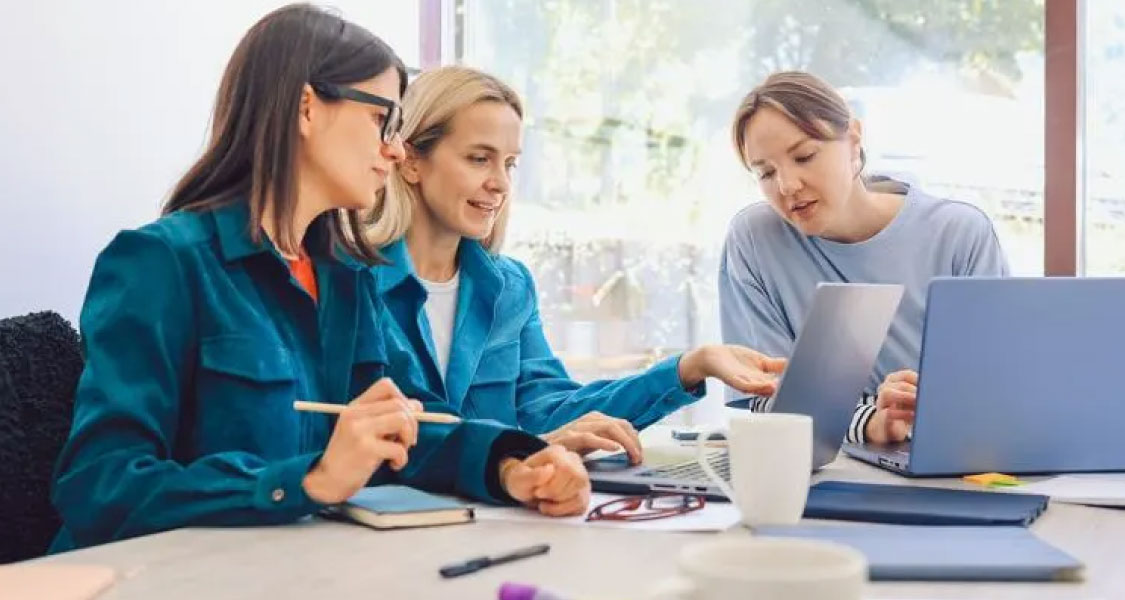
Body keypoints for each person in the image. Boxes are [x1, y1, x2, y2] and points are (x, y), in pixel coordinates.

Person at [49, 4, 588, 552]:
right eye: (382, 119)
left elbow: (411, 425)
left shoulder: (346, 278)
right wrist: (307, 482)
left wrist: (512, 465)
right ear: (307, 107)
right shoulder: (159, 264)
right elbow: (99, 486)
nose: (395, 150)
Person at [366, 66, 786, 463]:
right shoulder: (353, 281)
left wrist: (690, 366)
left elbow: (553, 410)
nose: (501, 182)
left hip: (498, 520)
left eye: (509, 163)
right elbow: (402, 434)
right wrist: (522, 453)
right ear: (411, 161)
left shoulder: (509, 287)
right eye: (479, 158)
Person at [720, 70, 1009, 446]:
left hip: (949, 464)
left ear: (853, 139)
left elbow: (995, 392)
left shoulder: (958, 234)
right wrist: (871, 421)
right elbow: (762, 395)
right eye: (766, 173)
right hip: (818, 474)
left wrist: (902, 411)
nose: (787, 185)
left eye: (805, 156)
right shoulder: (755, 241)